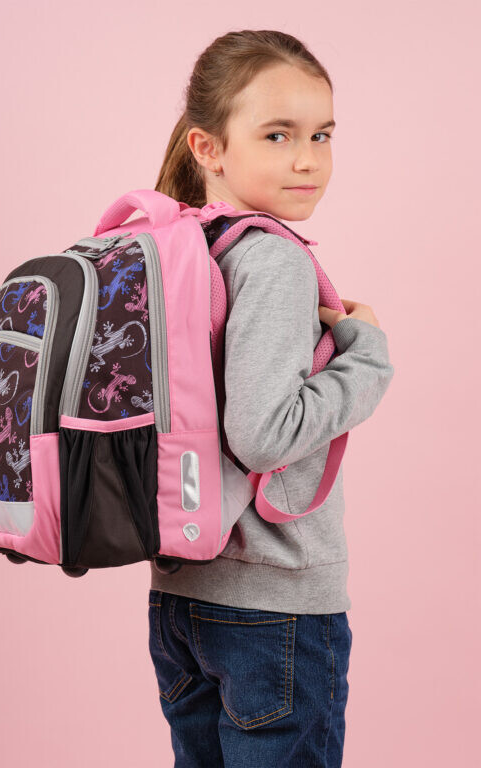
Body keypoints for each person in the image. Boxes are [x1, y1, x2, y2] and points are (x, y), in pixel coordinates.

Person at [147, 29, 395, 768]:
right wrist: (367, 355)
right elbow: (261, 434)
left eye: (321, 135)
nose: (308, 159)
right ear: (209, 148)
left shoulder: (176, 248)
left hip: (182, 598)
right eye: (278, 135)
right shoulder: (274, 261)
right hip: (276, 607)